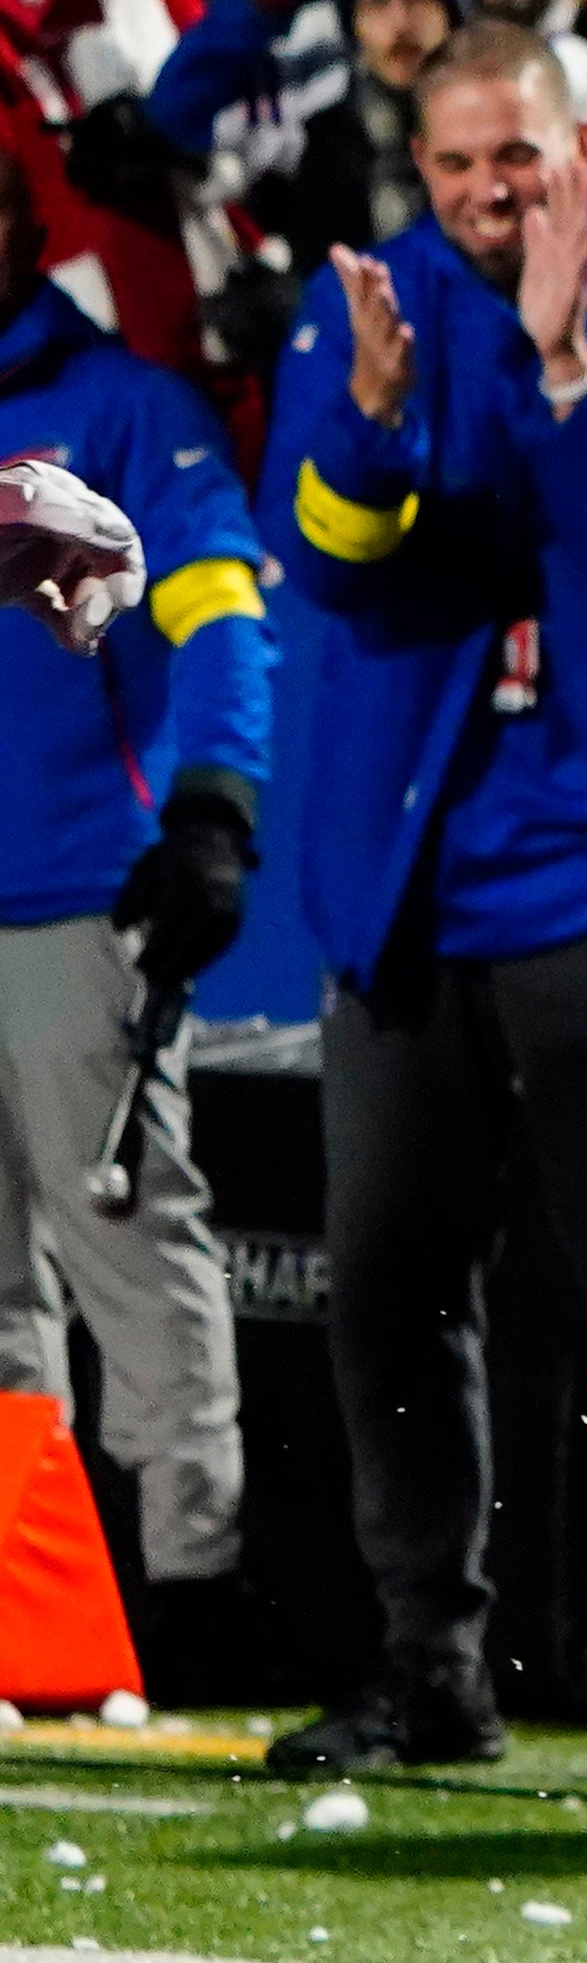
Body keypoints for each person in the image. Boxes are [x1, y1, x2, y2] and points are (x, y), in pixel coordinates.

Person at [260, 26, 587, 1785]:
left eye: (521, 163)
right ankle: (431, 1668)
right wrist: (378, 431)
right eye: (459, 165)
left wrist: (566, 374)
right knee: (391, 1288)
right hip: (413, 883)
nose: (490, 194)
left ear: (585, 158)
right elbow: (329, 570)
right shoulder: (365, 307)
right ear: (424, 167)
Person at [0, 136, 265, 1611]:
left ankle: (192, 1598)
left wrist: (216, 803)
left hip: (75, 891)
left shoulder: (119, 410)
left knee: (129, 1249)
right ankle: (29, 1620)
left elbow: (223, 603)